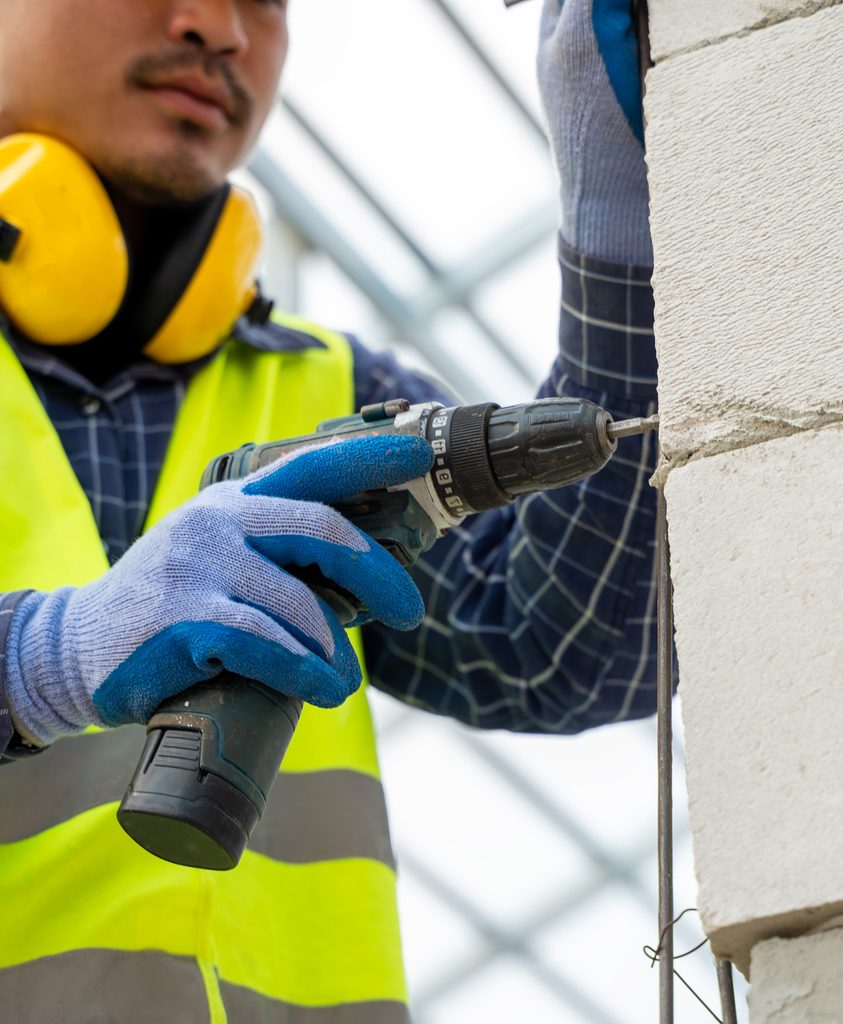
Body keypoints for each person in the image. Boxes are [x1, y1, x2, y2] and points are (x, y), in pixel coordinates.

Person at [0, 0, 658, 1020]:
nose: (219, 27)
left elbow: (569, 652)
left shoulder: (335, 390)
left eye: (264, 0)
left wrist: (621, 215)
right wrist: (45, 660)